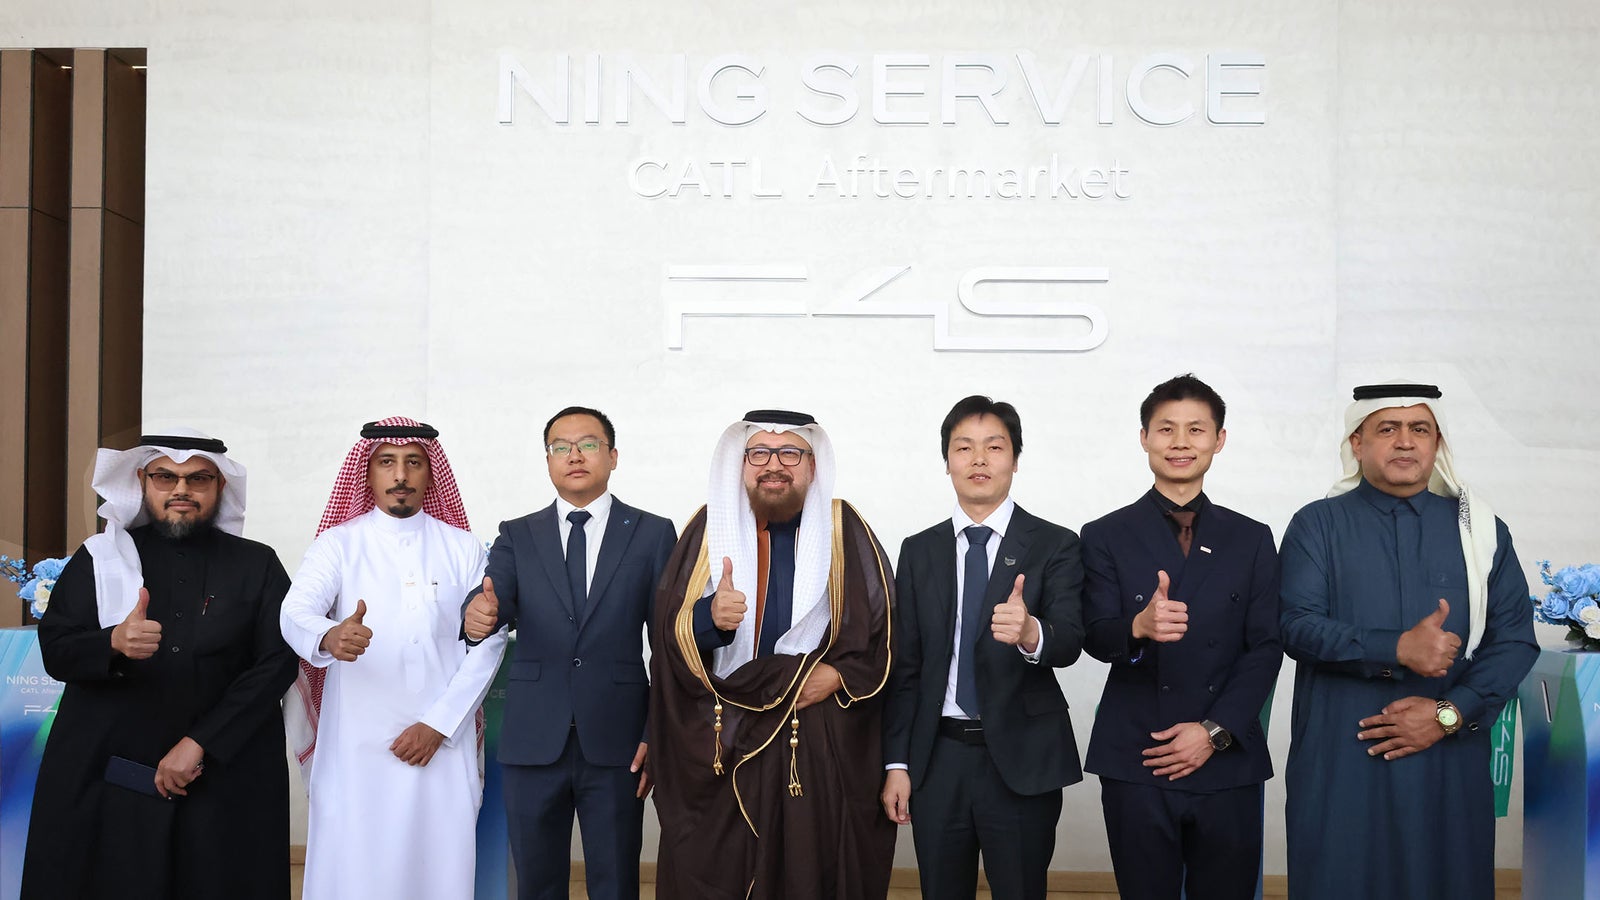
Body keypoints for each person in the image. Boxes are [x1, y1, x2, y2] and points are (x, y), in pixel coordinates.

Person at [1279, 383, 1538, 900]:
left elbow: (1514, 641)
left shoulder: (1480, 532)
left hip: (1449, 754)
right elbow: (1295, 625)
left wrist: (1449, 713)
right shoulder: (1317, 525)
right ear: (1357, 443)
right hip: (1341, 751)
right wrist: (1394, 648)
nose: (1404, 442)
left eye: (1419, 429)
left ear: (1437, 442)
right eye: (1387, 428)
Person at [21, 430, 298, 900]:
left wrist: (199, 744)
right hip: (110, 771)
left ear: (220, 487)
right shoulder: (100, 559)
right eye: (165, 477)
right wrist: (113, 641)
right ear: (142, 482)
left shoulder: (258, 565)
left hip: (221, 768)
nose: (181, 490)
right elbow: (57, 650)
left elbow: (277, 663)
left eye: (198, 479)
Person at [649, 409, 895, 900]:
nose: (773, 465)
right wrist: (708, 619)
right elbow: (666, 635)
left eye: (789, 453)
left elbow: (883, 636)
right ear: (741, 464)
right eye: (758, 453)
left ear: (812, 464)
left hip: (810, 739)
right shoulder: (707, 528)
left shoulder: (845, 530)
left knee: (807, 872)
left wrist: (839, 678)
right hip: (723, 736)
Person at [280, 417, 508, 900]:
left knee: (440, 869)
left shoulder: (464, 548)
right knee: (356, 868)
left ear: (430, 473)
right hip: (356, 746)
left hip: (443, 745)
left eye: (413, 463)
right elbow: (295, 610)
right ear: (368, 474)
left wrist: (439, 725)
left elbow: (489, 641)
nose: (400, 474)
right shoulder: (338, 545)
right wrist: (329, 635)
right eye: (387, 463)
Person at [461, 406, 676, 900]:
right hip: (533, 737)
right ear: (548, 460)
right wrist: (477, 616)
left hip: (620, 740)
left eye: (588, 444)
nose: (574, 456)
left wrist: (654, 729)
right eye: (561, 447)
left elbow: (670, 637)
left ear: (613, 456)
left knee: (616, 881)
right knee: (536, 883)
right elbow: (494, 599)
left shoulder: (651, 532)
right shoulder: (517, 533)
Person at [1079, 375, 1281, 899]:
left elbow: (1265, 648)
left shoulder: (1252, 537)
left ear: (1219, 440)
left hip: (1226, 754)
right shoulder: (1104, 534)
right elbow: (1095, 636)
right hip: (1138, 755)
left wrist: (1214, 731)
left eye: (1196, 429)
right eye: (1166, 429)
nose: (1180, 442)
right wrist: (1138, 628)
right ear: (1144, 437)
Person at [881, 395, 1085, 900]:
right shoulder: (919, 549)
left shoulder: (1055, 544)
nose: (978, 460)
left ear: (1015, 458)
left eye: (994, 447)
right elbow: (905, 667)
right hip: (938, 759)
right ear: (947, 460)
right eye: (963, 447)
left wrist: (1031, 631)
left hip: (1020, 760)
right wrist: (896, 765)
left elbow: (1072, 639)